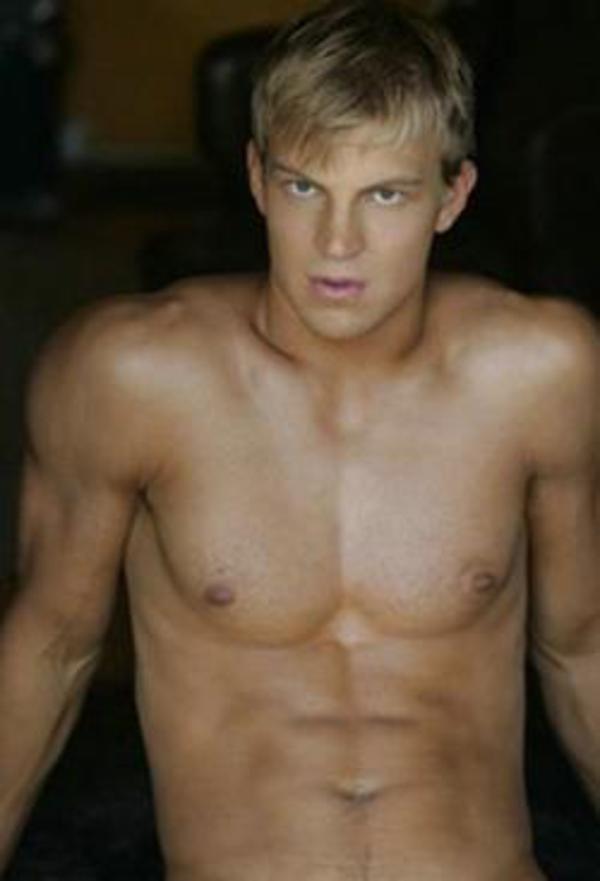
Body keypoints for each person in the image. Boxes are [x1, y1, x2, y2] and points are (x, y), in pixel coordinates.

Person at [1, 1, 598, 879]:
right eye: (304, 187)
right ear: (256, 178)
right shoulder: (129, 377)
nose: (337, 243)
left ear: (452, 196)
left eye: (385, 194)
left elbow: (581, 649)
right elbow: (50, 650)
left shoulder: (540, 373)